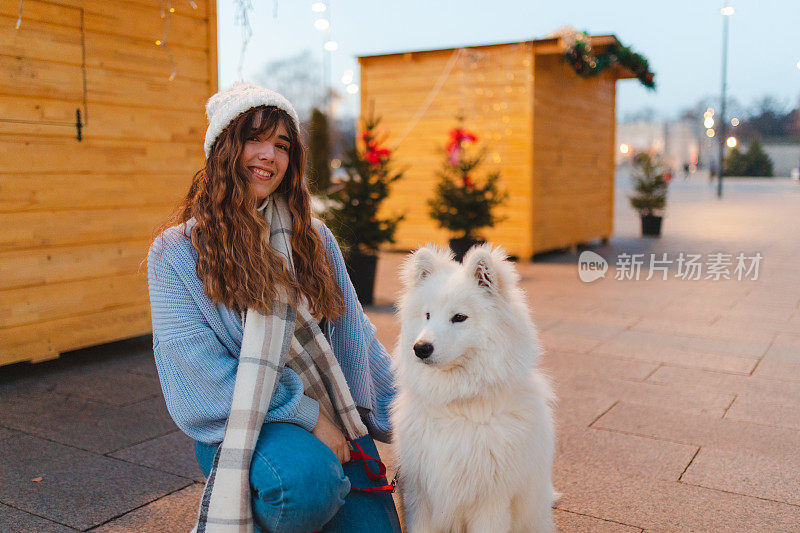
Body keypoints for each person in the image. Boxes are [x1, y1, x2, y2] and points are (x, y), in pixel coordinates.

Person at [146, 82, 401, 533]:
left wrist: (415, 413)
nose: (269, 154)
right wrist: (308, 417)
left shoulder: (314, 238)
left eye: (281, 144)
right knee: (306, 487)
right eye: (254, 138)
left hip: (334, 412)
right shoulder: (176, 253)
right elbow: (200, 377)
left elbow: (355, 338)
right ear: (223, 149)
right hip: (243, 423)